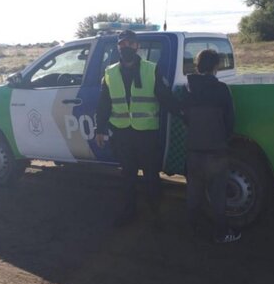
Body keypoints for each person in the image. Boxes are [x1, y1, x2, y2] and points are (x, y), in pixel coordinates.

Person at [95, 29, 179, 228]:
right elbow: (104, 104)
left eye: (130, 44)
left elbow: (164, 96)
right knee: (128, 175)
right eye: (123, 44)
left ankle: (156, 214)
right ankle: (129, 212)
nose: (127, 47)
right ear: (118, 47)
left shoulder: (151, 69)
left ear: (137, 46)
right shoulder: (110, 72)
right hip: (122, 133)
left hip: (146, 133)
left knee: (151, 175)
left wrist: (183, 114)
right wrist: (100, 128)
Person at [183, 49, 240, 243]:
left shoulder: (188, 88)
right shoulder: (222, 89)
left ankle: (191, 231)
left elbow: (185, 117)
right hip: (216, 151)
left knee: (194, 193)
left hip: (193, 150)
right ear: (216, 67)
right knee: (217, 195)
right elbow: (230, 120)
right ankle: (222, 233)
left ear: (197, 67)